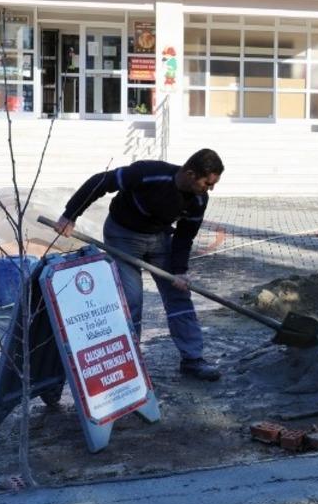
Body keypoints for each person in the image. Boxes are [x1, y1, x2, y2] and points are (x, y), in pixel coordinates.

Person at [55, 149, 224, 382]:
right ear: (191, 173)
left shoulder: (199, 199)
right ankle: (130, 362)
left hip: (159, 238)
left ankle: (193, 358)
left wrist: (179, 271)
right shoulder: (149, 174)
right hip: (122, 236)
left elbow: (185, 236)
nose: (210, 189)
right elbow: (100, 182)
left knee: (179, 295)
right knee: (131, 300)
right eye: (208, 183)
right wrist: (70, 215)